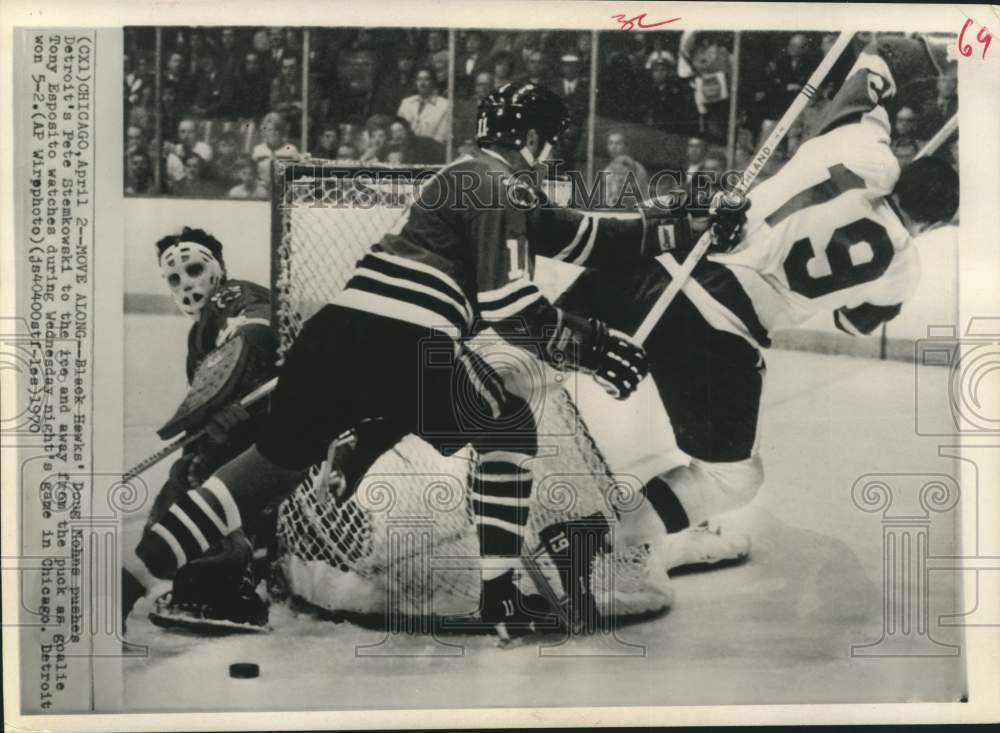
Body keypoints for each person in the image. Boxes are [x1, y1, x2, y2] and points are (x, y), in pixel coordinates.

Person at [123, 83, 742, 642]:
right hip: (404, 342)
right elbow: (511, 307)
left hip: (333, 337)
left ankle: (124, 583)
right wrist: (594, 345)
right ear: (528, 139)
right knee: (508, 429)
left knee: (263, 473)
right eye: (550, 143)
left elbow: (597, 239)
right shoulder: (493, 184)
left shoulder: (477, 179)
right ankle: (500, 601)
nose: (554, 156)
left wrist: (694, 224)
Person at [556, 35, 960, 574]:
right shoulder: (903, 269)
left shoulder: (861, 144)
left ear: (908, 168)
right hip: (717, 328)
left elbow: (879, 58)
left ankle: (467, 440)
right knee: (731, 476)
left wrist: (938, 59)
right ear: (932, 225)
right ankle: (591, 545)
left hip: (663, 260)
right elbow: (853, 321)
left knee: (537, 348)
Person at [142, 227, 278, 629]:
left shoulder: (232, 295)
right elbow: (207, 405)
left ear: (218, 268)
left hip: (276, 433)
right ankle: (241, 559)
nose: (187, 283)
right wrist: (203, 443)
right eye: (174, 278)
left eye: (195, 268)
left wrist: (235, 400)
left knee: (207, 490)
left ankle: (232, 588)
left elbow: (259, 331)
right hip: (253, 437)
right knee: (180, 484)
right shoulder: (198, 337)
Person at [396, 68, 451, 144]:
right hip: (405, 147)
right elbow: (397, 129)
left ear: (433, 82)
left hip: (431, 150)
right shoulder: (406, 103)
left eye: (426, 79)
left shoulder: (444, 105)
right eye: (419, 79)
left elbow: (441, 136)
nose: (422, 83)